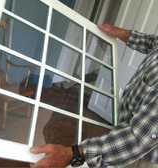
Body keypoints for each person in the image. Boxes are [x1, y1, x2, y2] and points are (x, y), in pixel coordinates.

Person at [30, 23, 158, 168]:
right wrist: (122, 33)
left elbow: (139, 139)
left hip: (141, 157)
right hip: (127, 130)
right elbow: (153, 42)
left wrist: (74, 154)